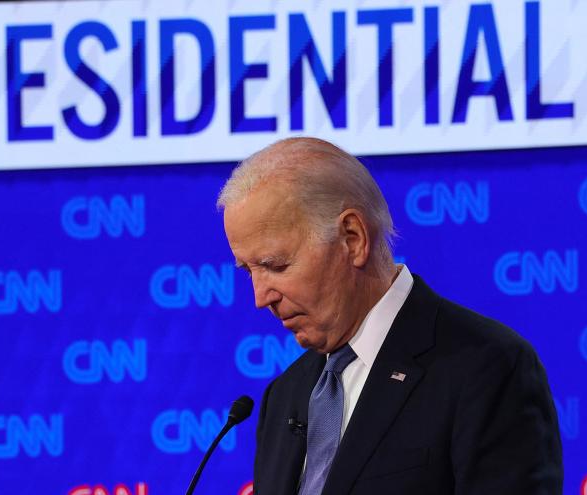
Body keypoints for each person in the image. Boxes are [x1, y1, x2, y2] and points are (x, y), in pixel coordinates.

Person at [217, 137, 563, 494]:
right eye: (248, 270)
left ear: (353, 239)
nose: (260, 297)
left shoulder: (487, 368)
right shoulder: (285, 395)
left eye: (276, 265)